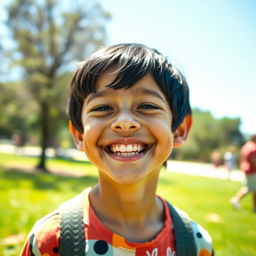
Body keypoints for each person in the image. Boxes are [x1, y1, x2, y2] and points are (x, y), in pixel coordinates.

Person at [21, 43, 214, 256]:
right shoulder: (50, 241)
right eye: (102, 108)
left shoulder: (197, 244)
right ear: (79, 135)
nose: (124, 122)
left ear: (179, 130)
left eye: (147, 106)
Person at [230, 135, 256, 211]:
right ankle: (235, 199)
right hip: (252, 170)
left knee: (251, 187)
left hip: (246, 168)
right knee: (250, 188)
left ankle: (254, 206)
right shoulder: (253, 147)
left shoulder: (245, 147)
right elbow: (254, 160)